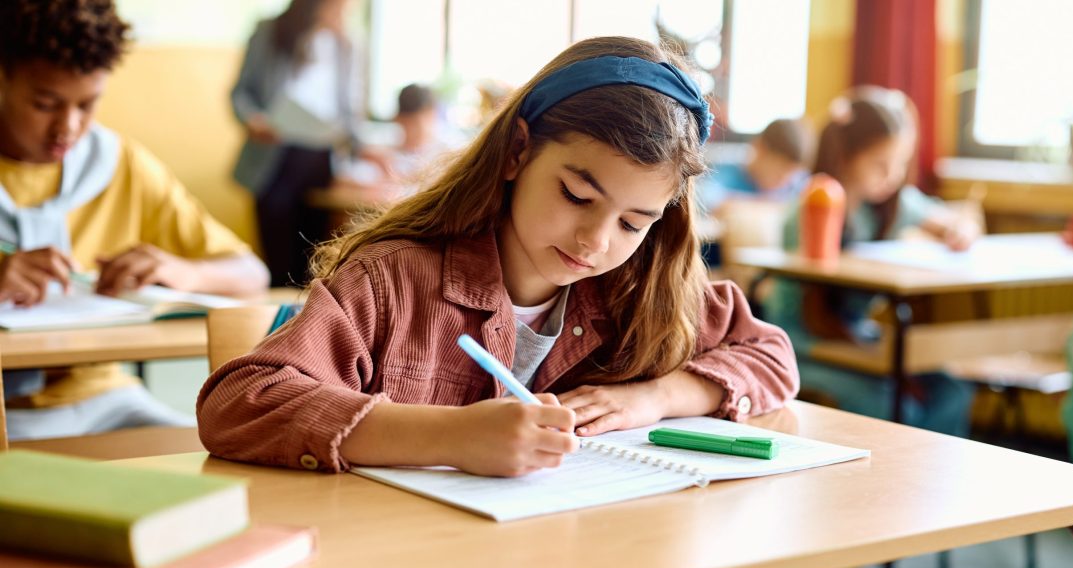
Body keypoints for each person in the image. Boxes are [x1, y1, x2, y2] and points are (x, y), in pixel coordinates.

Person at [198, 36, 799, 477]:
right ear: (517, 152)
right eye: (577, 195)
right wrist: (449, 438)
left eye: (633, 222)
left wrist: (656, 396)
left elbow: (769, 354)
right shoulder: (394, 281)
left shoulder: (641, 287)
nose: (596, 240)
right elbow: (239, 403)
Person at [0, 0, 270, 440]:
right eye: (45, 103)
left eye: (88, 104)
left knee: (241, 458)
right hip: (7, 414)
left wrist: (178, 270)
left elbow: (250, 273)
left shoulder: (121, 165)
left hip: (107, 400)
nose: (67, 127)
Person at [763, 86, 978, 436]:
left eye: (901, 164)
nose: (892, 176)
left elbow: (952, 221)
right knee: (891, 403)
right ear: (846, 156)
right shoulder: (811, 205)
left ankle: (927, 481)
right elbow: (801, 313)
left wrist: (960, 229)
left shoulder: (894, 204)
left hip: (858, 337)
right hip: (804, 344)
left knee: (951, 392)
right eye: (881, 164)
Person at [231, 0, 374, 287]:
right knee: (280, 262)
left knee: (317, 263)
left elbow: (351, 110)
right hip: (276, 158)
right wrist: (253, 120)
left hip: (322, 158)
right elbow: (240, 93)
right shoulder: (271, 31)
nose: (344, 11)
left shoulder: (348, 43)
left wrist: (364, 150)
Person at [699, 117, 814, 213]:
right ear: (760, 149)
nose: (784, 181)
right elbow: (704, 199)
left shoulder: (795, 184)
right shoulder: (726, 173)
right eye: (778, 173)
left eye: (790, 176)